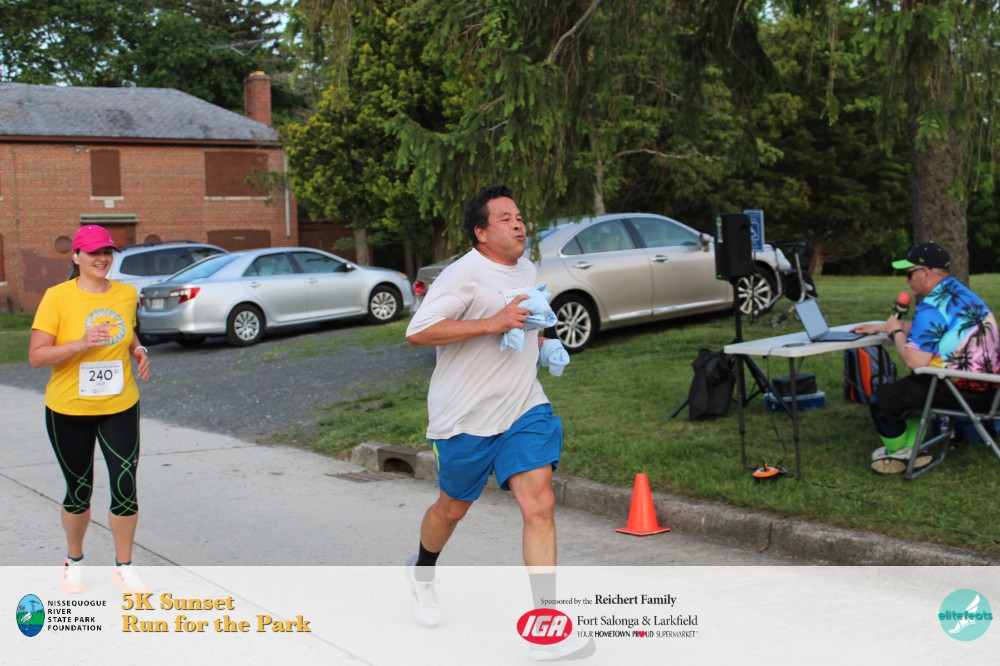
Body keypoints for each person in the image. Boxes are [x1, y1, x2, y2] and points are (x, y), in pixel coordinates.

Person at [405, 185, 590, 660]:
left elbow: (525, 319)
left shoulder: (526, 269)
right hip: (464, 416)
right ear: (481, 233)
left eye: (519, 216)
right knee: (452, 509)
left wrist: (544, 344)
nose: (518, 224)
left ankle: (547, 626)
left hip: (522, 406)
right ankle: (422, 572)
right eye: (505, 218)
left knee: (540, 504)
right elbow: (418, 331)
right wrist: (493, 322)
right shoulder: (461, 275)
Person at [29, 225, 151, 593]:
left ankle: (124, 567)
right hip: (68, 409)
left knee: (125, 486)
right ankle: (74, 560)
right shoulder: (57, 297)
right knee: (79, 489)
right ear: (76, 256)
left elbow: (125, 330)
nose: (102, 258)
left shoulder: (126, 293)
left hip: (119, 404)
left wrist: (138, 350)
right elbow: (37, 356)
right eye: (94, 252)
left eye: (107, 252)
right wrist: (80, 344)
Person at [853, 242, 999, 475]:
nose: (907, 281)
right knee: (909, 391)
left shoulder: (932, 307)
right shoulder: (961, 295)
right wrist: (884, 326)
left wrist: (896, 332)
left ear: (926, 272)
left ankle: (898, 452)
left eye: (909, 274)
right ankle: (910, 449)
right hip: (990, 389)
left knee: (882, 399)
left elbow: (915, 362)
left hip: (961, 392)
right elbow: (940, 329)